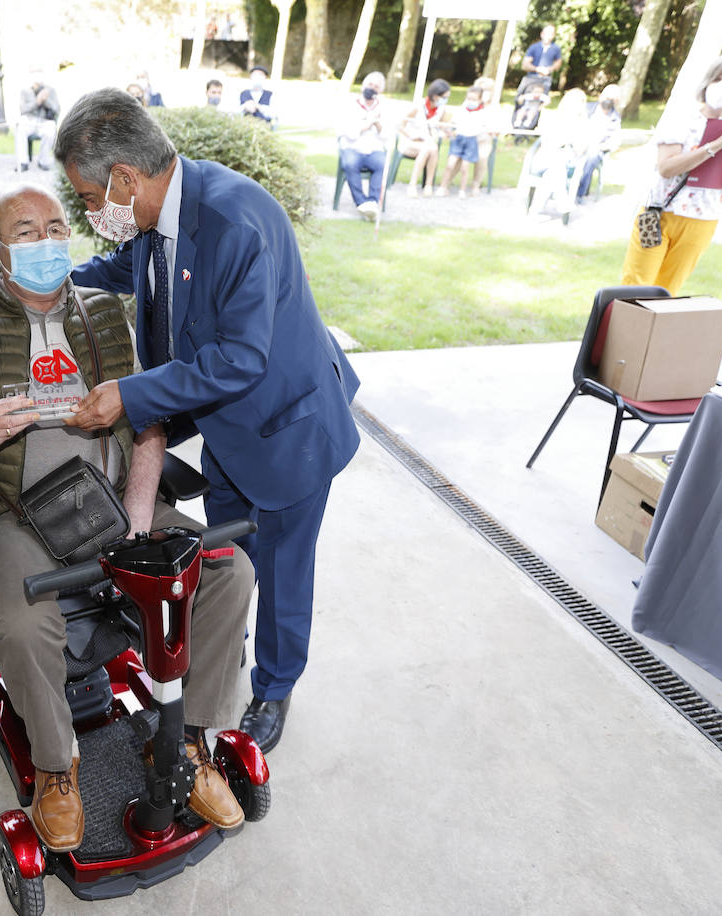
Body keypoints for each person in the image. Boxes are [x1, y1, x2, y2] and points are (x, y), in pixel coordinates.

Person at [0, 184, 255, 850]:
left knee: (228, 570)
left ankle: (184, 745)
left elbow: (150, 421)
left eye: (55, 228)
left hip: (116, 496)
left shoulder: (106, 312)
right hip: (14, 511)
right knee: (19, 614)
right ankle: (54, 766)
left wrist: (137, 511)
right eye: (25, 231)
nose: (45, 243)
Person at [57, 89, 362, 753]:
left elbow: (240, 359)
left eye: (86, 196)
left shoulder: (233, 220)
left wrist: (130, 394)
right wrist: (57, 283)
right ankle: (225, 654)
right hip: (230, 431)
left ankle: (275, 688)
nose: (88, 210)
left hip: (287, 432)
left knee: (281, 571)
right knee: (229, 561)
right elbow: (128, 266)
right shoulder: (159, 214)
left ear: (124, 178)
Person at [620, 51, 722, 294]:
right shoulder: (682, 117)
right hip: (655, 214)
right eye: (718, 78)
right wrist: (716, 144)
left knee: (666, 290)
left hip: (702, 220)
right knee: (634, 286)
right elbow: (666, 167)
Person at [525, 88, 590, 217]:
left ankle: (535, 210)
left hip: (568, 164)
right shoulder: (554, 119)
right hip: (544, 159)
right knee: (556, 161)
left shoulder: (583, 126)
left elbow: (581, 150)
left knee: (552, 173)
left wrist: (571, 141)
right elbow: (546, 143)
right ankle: (563, 201)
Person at [338, 71, 388, 217]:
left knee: (382, 164)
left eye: (376, 87)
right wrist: (367, 125)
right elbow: (347, 132)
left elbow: (386, 137)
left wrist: (378, 124)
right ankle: (361, 202)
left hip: (374, 149)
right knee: (350, 163)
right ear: (363, 86)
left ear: (380, 91)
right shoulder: (350, 105)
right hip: (352, 147)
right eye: (370, 84)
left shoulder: (383, 108)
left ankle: (372, 202)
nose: (372, 88)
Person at [397, 78, 449, 197]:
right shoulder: (418, 107)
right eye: (444, 97)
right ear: (435, 96)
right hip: (410, 143)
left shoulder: (441, 110)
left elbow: (444, 126)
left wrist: (447, 131)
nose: (445, 100)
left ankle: (428, 185)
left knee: (433, 148)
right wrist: (411, 136)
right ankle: (413, 185)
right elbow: (400, 125)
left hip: (427, 143)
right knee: (427, 149)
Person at [437, 84, 486, 197]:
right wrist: (449, 131)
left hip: (471, 141)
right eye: (469, 98)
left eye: (474, 99)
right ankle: (443, 187)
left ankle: (462, 190)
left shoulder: (481, 113)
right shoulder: (462, 110)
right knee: (450, 164)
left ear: (479, 100)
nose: (470, 101)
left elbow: (482, 128)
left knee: (465, 167)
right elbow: (453, 123)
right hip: (459, 139)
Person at [575, 84, 622, 201]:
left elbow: (615, 142)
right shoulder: (587, 108)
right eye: (607, 96)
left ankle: (579, 193)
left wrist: (600, 146)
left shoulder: (615, 118)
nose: (608, 100)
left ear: (616, 101)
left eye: (612, 98)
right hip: (579, 144)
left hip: (597, 150)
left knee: (591, 157)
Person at [16, 70, 60, 173]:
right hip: (29, 120)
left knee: (50, 130)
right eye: (34, 73)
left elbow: (56, 109)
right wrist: (37, 102)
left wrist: (45, 100)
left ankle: (43, 160)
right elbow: (23, 109)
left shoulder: (51, 90)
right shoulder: (25, 91)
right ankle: (23, 162)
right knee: (20, 127)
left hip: (45, 121)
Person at [523, 25, 563, 93]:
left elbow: (558, 63)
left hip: (545, 80)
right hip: (531, 78)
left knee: (542, 101)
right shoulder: (534, 47)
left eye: (551, 33)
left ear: (553, 35)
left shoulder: (556, 49)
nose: (548, 35)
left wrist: (549, 69)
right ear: (542, 34)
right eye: (547, 33)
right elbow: (524, 65)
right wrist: (537, 69)